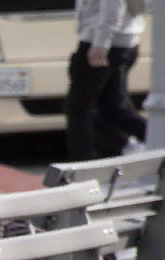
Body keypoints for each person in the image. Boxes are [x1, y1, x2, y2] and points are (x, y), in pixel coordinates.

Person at [64, 0, 148, 161]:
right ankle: (157, 141)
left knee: (79, 107)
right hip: (122, 41)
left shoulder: (102, 42)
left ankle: (82, 164)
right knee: (112, 107)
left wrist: (100, 45)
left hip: (103, 43)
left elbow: (112, 9)